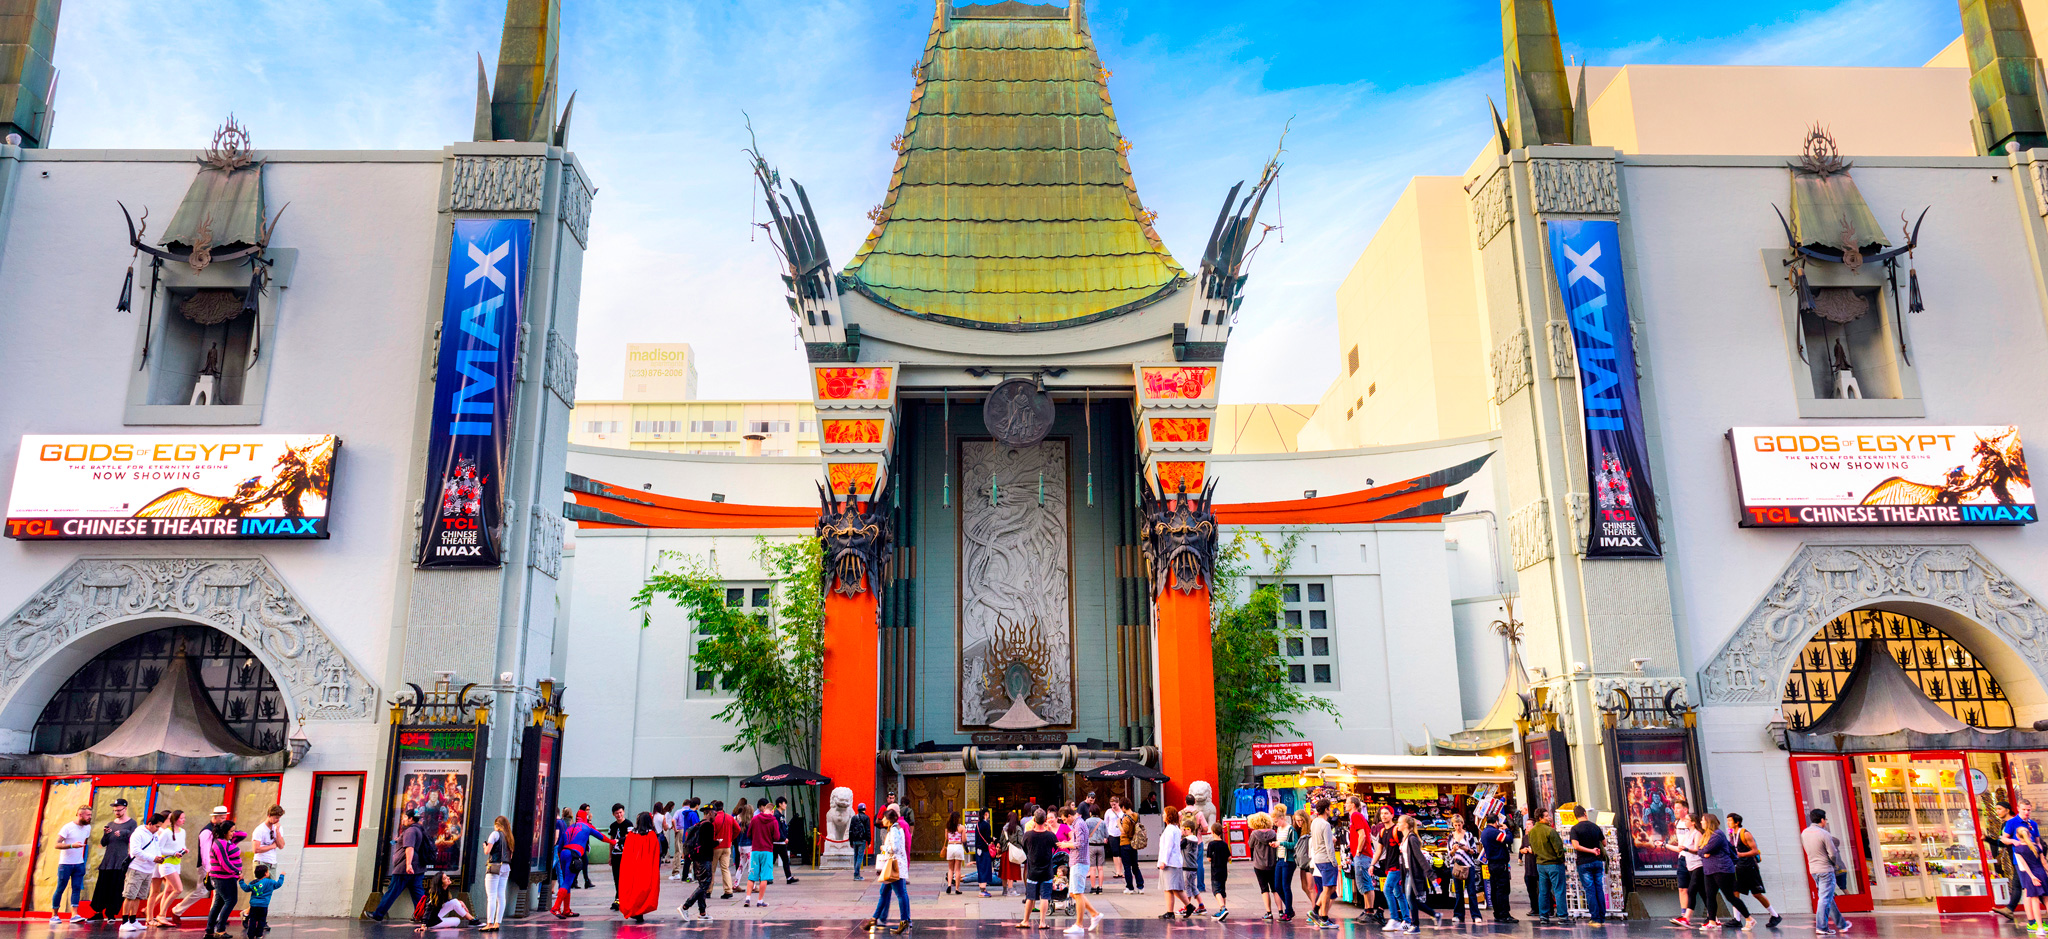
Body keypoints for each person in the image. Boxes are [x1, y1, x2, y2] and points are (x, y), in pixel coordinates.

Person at [552, 806, 612, 918]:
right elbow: (601, 837)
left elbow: (560, 846)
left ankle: (566, 910)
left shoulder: (569, 828)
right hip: (574, 855)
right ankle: (556, 908)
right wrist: (612, 842)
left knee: (567, 882)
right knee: (567, 883)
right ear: (585, 817)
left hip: (564, 854)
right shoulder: (586, 826)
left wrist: (560, 861)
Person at [173, 806, 231, 923]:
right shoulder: (207, 831)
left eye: (224, 818)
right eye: (221, 818)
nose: (223, 820)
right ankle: (177, 910)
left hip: (215, 865)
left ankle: (215, 917)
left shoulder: (218, 830)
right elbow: (205, 852)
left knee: (217, 891)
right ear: (214, 817)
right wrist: (208, 869)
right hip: (208, 866)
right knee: (203, 891)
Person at [1727, 813, 1783, 928]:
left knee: (1756, 893)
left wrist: (1740, 855)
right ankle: (1737, 919)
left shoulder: (1745, 834)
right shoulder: (1732, 834)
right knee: (1735, 891)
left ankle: (1775, 915)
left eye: (1730, 821)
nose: (1728, 823)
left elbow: (1755, 851)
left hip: (1749, 867)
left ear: (1737, 822)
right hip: (1738, 867)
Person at [1698, 813, 1753, 929]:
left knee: (1730, 896)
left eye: (1703, 820)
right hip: (1709, 870)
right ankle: (1712, 921)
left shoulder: (1717, 835)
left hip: (1722, 870)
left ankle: (1749, 918)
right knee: (1710, 896)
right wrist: (1704, 852)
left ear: (1708, 822)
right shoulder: (1705, 836)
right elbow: (1700, 851)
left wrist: (1704, 851)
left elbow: (1706, 849)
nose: (1701, 822)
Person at [864, 806, 912, 934]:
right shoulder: (895, 829)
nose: (882, 820)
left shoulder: (894, 830)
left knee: (900, 894)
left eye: (884, 818)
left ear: (889, 819)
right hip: (894, 866)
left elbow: (895, 848)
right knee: (885, 892)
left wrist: (884, 848)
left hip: (894, 866)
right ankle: (875, 918)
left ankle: (904, 921)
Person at [1800, 808, 1848, 936]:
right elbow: (1833, 853)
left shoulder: (1804, 833)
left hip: (1814, 869)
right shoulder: (1824, 834)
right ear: (1822, 820)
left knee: (1828, 897)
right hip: (1826, 869)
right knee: (1825, 898)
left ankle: (1842, 924)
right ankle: (1822, 926)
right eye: (1825, 819)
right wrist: (1834, 864)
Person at [89, 799, 138, 923]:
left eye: (119, 810)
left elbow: (134, 840)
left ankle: (111, 913)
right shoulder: (111, 824)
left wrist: (124, 832)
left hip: (120, 861)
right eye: (114, 810)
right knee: (102, 887)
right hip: (108, 861)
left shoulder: (132, 823)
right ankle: (98, 912)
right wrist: (106, 834)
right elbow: (103, 843)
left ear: (125, 809)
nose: (116, 812)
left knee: (116, 888)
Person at [117, 812, 166, 933]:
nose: (158, 829)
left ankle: (133, 920)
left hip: (148, 869)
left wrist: (159, 857)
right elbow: (135, 851)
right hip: (136, 868)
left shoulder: (154, 835)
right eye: (157, 826)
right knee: (130, 895)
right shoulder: (138, 834)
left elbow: (157, 848)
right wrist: (153, 858)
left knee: (139, 895)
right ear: (150, 824)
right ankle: (124, 922)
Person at [2007, 799, 2048, 934]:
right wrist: (2014, 841)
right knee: (2028, 891)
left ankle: (2037, 924)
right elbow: (2004, 838)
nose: (2026, 812)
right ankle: (2032, 922)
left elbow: (2037, 841)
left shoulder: (2033, 824)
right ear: (2018, 808)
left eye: (2028, 810)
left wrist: (2039, 851)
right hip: (2022, 862)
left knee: (2034, 893)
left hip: (2034, 860)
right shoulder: (2012, 823)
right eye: (2024, 809)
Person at [1062, 808, 1104, 933]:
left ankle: (1079, 925)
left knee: (1078, 893)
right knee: (1073, 893)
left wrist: (1066, 845)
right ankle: (1094, 914)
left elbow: (1080, 843)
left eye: (1065, 819)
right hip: (1077, 861)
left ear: (1069, 815)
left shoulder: (1079, 824)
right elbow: (1079, 842)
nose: (1065, 822)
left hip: (1079, 862)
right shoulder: (1078, 824)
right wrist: (1068, 842)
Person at [614, 812, 661, 923]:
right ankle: (640, 911)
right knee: (644, 891)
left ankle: (635, 911)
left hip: (632, 868)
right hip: (646, 868)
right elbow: (655, 854)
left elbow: (626, 854)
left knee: (633, 890)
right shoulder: (651, 835)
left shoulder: (631, 835)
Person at [1522, 808, 1566, 926]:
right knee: (1558, 890)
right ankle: (1563, 916)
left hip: (1540, 864)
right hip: (1554, 864)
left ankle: (1543, 916)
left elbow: (1534, 849)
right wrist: (1562, 859)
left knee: (1543, 891)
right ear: (1540, 818)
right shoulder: (1550, 831)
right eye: (1546, 816)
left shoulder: (1531, 832)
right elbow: (1559, 849)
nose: (1549, 817)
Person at [203, 824, 246, 939]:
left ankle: (209, 930)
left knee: (219, 904)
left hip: (227, 877)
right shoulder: (219, 843)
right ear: (225, 832)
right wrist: (237, 872)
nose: (233, 833)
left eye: (233, 831)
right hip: (223, 877)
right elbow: (224, 863)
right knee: (231, 901)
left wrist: (231, 831)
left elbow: (243, 835)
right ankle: (220, 929)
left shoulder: (229, 841)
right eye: (231, 831)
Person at [52, 803, 93, 924]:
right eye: (88, 815)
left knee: (76, 888)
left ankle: (74, 914)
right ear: (80, 815)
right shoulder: (68, 827)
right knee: (61, 888)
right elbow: (56, 844)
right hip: (65, 864)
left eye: (90, 815)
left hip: (79, 863)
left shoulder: (87, 828)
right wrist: (71, 845)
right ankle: (54, 915)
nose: (90, 817)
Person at [1019, 809, 1060, 928]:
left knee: (1030, 897)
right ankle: (1042, 922)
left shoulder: (1028, 835)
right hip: (1047, 870)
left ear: (1034, 820)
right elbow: (1056, 847)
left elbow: (1024, 848)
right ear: (1045, 820)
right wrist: (1051, 831)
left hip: (1032, 870)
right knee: (1045, 896)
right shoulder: (1050, 835)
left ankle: (1025, 921)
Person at [146, 809, 188, 927]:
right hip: (162, 862)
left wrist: (183, 850)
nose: (183, 820)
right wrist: (174, 852)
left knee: (168, 890)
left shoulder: (181, 831)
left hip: (175, 862)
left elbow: (181, 844)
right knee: (160, 891)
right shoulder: (163, 831)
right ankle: (151, 917)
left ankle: (161, 915)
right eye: (180, 818)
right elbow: (158, 848)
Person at [1570, 808, 1609, 924]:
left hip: (1584, 862)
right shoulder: (1595, 826)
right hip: (1597, 861)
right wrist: (1594, 849)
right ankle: (1602, 917)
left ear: (1575, 816)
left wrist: (1590, 850)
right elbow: (1604, 843)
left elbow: (1576, 846)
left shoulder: (1575, 829)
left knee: (1590, 890)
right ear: (1585, 814)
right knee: (1599, 888)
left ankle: (1595, 918)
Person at [677, 808, 716, 922]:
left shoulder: (699, 824)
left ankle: (702, 913)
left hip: (697, 859)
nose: (715, 816)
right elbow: (707, 844)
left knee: (702, 885)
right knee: (705, 885)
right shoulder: (708, 826)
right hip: (705, 859)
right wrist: (716, 842)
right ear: (710, 813)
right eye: (715, 813)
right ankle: (685, 906)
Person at [1306, 798, 1338, 928]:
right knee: (1327, 889)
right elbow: (1329, 845)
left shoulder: (1314, 822)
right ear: (1326, 809)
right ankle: (1322, 917)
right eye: (1329, 808)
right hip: (1326, 859)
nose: (1330, 811)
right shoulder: (1325, 825)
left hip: (1318, 858)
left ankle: (1317, 912)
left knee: (1328, 888)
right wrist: (1334, 861)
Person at [1669, 816, 1706, 927]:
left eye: (1687, 820)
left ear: (1693, 822)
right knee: (1703, 892)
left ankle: (1686, 918)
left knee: (1692, 890)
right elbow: (1679, 849)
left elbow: (1696, 850)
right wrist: (1664, 845)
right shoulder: (1687, 834)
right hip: (1690, 866)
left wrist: (1686, 849)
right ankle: (1714, 918)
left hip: (1698, 865)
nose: (1685, 822)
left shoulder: (1697, 834)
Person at [1480, 813, 1516, 924]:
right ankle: (1504, 914)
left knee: (1495, 889)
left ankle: (1497, 913)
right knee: (1503, 889)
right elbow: (1509, 840)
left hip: (1491, 863)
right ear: (1496, 822)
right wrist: (1507, 829)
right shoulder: (1494, 832)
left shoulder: (1485, 832)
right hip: (1500, 863)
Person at [744, 797, 780, 907]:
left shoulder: (755, 819)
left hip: (755, 851)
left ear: (764, 810)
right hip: (767, 851)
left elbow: (749, 834)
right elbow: (777, 837)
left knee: (752, 875)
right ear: (772, 811)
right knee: (764, 877)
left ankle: (747, 898)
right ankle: (760, 900)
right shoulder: (773, 821)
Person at [1446, 813, 1482, 924]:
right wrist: (1454, 850)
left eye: (1459, 825)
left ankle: (1475, 915)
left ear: (1463, 824)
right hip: (1456, 865)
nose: (1457, 827)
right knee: (1458, 892)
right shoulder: (1451, 836)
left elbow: (1474, 851)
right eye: (1455, 825)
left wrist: (1465, 848)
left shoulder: (1468, 835)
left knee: (1471, 891)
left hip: (1468, 865)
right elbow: (1449, 853)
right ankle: (1458, 914)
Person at [412, 872, 478, 931]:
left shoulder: (444, 892)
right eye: (445, 878)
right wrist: (423, 925)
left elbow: (449, 902)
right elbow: (428, 910)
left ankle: (472, 919)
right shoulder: (436, 894)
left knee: (455, 901)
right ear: (441, 884)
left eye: (447, 876)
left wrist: (460, 902)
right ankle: (472, 920)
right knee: (457, 920)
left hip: (435, 917)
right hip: (432, 923)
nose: (448, 878)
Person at [1155, 807, 1189, 920]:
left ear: (1169, 816)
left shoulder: (1169, 829)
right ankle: (1185, 907)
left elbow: (1168, 847)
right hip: (1174, 862)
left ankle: (1173, 911)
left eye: (1165, 814)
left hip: (1170, 862)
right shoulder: (1175, 828)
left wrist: (1163, 861)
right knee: (1172, 888)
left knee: (1169, 888)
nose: (1163, 815)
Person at [481, 816, 512, 931]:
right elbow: (511, 855)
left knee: (492, 896)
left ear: (497, 824)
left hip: (494, 866)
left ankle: (489, 923)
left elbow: (487, 851)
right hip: (506, 867)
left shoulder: (495, 834)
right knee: (501, 895)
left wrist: (485, 846)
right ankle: (497, 923)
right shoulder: (510, 837)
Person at [1248, 812, 1279, 920]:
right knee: (1275, 889)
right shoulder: (1273, 833)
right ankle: (1281, 911)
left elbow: (1250, 845)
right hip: (1272, 864)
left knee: (1264, 889)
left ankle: (1269, 912)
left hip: (1259, 865)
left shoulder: (1254, 834)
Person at [241, 863, 284, 939]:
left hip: (254, 906)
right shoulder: (270, 882)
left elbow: (246, 889)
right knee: (262, 921)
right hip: (263, 906)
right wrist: (282, 876)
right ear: (265, 874)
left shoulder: (253, 883)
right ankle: (259, 935)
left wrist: (241, 881)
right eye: (267, 871)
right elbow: (278, 884)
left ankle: (250, 935)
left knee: (252, 920)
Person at [1272, 807, 1298, 921]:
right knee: (1277, 886)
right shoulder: (1279, 830)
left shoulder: (1290, 829)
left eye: (1277, 821)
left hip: (1289, 860)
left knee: (1285, 886)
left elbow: (1294, 844)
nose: (1276, 824)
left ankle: (1288, 911)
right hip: (1280, 859)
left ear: (1282, 818)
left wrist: (1281, 843)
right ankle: (1289, 909)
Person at [604, 804, 631, 910]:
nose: (619, 815)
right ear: (613, 814)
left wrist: (620, 840)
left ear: (623, 812)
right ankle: (618, 897)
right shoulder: (613, 826)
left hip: (625, 855)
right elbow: (611, 841)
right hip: (616, 855)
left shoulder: (628, 824)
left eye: (620, 812)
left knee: (625, 877)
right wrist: (610, 856)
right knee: (616, 877)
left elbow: (629, 837)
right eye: (616, 813)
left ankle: (623, 898)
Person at [708, 800, 736, 898]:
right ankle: (728, 890)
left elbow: (712, 832)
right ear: (723, 807)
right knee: (725, 869)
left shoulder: (714, 819)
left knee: (712, 869)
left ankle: (708, 890)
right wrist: (731, 839)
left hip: (716, 846)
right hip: (727, 846)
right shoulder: (729, 817)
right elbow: (738, 829)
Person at [1206, 812, 1231, 921]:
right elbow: (1229, 858)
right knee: (1223, 889)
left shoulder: (1211, 844)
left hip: (1215, 871)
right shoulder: (1225, 844)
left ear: (1212, 832)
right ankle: (1222, 911)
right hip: (1224, 870)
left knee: (1216, 891)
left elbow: (1209, 859)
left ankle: (1223, 908)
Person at [1117, 800, 1144, 894]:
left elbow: (1124, 831)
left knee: (1127, 867)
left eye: (1121, 807)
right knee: (1135, 866)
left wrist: (1118, 824)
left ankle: (1130, 887)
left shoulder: (1125, 818)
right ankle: (1140, 886)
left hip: (1125, 843)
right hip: (1134, 843)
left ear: (1123, 807)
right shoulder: (1136, 815)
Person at [772, 796, 800, 884]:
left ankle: (789, 877)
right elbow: (778, 828)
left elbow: (783, 827)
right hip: (777, 842)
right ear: (780, 804)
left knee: (785, 860)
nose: (785, 805)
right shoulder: (776, 815)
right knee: (772, 860)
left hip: (782, 842)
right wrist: (783, 838)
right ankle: (766, 877)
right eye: (784, 803)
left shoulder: (781, 815)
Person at [968, 809, 992, 898]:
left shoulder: (977, 824)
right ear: (986, 814)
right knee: (985, 868)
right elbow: (987, 838)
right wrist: (992, 839)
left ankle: (982, 889)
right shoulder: (986, 825)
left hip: (978, 849)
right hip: (984, 849)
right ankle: (983, 889)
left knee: (980, 869)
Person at [1001, 811, 1025, 897]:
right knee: (1011, 872)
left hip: (1005, 852)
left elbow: (1001, 840)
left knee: (1004, 872)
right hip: (1013, 852)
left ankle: (1004, 890)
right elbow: (1021, 840)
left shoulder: (1004, 828)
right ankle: (1010, 890)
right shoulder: (1017, 828)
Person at [942, 811, 966, 894]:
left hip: (950, 847)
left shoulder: (947, 828)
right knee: (958, 870)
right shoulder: (961, 828)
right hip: (958, 847)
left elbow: (947, 838)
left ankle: (949, 885)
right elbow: (964, 840)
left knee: (950, 869)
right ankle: (957, 888)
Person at [850, 804, 874, 881]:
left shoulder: (854, 818)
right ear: (865, 809)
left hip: (855, 840)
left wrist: (851, 841)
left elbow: (850, 830)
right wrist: (869, 841)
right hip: (862, 840)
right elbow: (868, 830)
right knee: (860, 857)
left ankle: (856, 873)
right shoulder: (866, 818)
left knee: (855, 856)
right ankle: (856, 875)